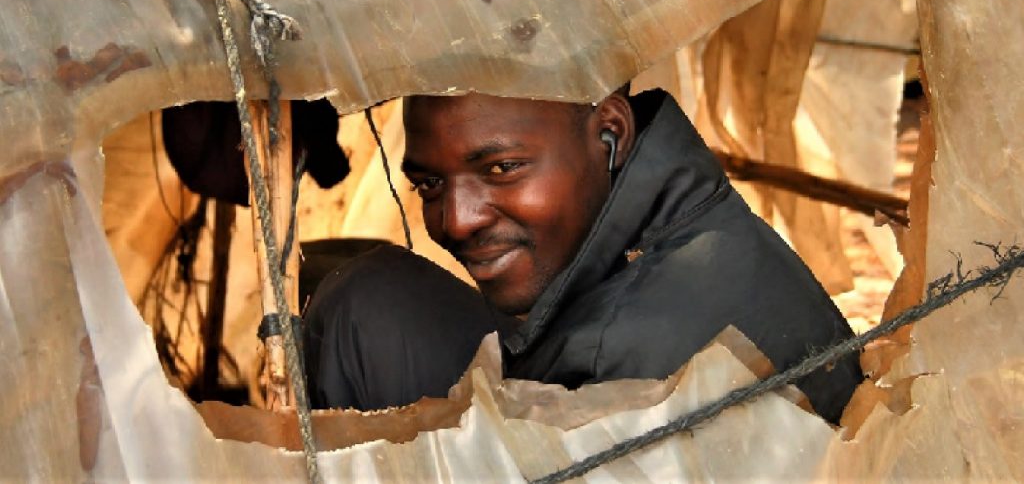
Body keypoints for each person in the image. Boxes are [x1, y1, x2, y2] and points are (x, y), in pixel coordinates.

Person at [303, 88, 862, 423]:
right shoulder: (702, 221)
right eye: (429, 185)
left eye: (502, 169)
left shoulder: (620, 364)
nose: (456, 220)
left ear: (610, 134)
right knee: (375, 295)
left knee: (362, 309)